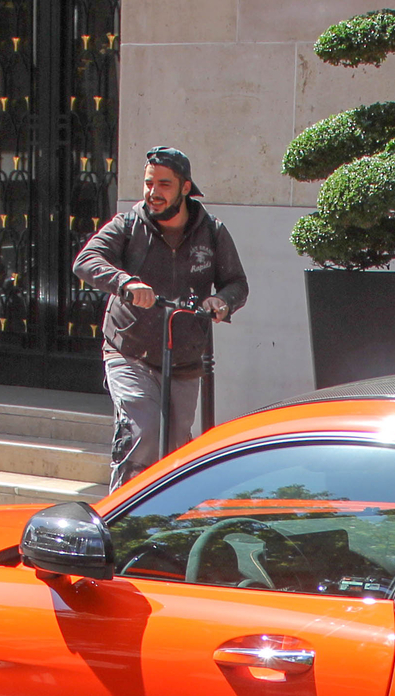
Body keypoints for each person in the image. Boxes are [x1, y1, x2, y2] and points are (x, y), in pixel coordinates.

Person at [74, 146, 249, 487]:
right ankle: (120, 513)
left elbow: (237, 283)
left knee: (174, 448)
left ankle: (164, 522)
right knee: (145, 434)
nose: (153, 193)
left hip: (184, 357)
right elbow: (86, 260)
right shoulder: (127, 225)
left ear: (186, 187)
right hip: (130, 350)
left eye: (164, 184)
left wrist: (222, 302)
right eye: (148, 183)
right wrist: (125, 282)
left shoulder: (212, 231)